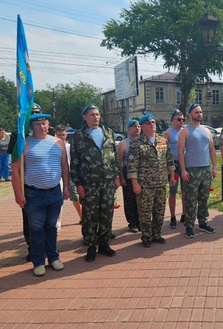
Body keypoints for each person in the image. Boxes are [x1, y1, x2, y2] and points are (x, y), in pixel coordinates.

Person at [11, 113, 69, 276]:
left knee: (51, 227)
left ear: (48, 124)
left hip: (54, 192)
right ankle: (38, 261)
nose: (41, 127)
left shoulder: (58, 143)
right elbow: (15, 171)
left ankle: (53, 257)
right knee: (36, 229)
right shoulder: (24, 144)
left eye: (44, 123)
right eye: (37, 124)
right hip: (33, 194)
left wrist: (66, 188)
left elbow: (65, 166)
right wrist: (18, 193)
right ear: (31, 127)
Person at [70, 104, 120, 262]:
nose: (95, 117)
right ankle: (91, 245)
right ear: (85, 117)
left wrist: (117, 176)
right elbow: (75, 162)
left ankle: (104, 243)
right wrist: (78, 184)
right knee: (90, 215)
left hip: (107, 182)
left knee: (107, 214)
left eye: (97, 114)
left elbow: (115, 157)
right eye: (92, 115)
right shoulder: (79, 136)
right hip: (89, 183)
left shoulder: (108, 133)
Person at [127, 114, 175, 247]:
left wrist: (172, 175)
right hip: (145, 185)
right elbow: (132, 165)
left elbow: (169, 159)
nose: (152, 124)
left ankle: (157, 234)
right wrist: (135, 183)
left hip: (161, 182)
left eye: (153, 122)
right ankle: (146, 236)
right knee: (145, 212)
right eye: (148, 123)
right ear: (142, 126)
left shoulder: (162, 140)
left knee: (159, 210)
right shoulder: (137, 143)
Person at [6, 102, 43, 261]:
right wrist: (17, 191)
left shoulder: (48, 130)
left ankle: (47, 248)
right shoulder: (18, 133)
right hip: (26, 182)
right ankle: (32, 248)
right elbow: (14, 160)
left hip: (44, 181)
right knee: (29, 220)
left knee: (48, 220)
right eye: (30, 112)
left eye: (36, 112)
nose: (33, 115)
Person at [178, 104, 217, 238]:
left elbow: (212, 150)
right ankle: (189, 225)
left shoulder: (206, 131)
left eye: (200, 112)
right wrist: (183, 170)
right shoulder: (185, 131)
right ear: (190, 114)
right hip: (192, 170)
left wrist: (215, 167)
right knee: (190, 199)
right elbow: (180, 152)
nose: (199, 114)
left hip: (206, 169)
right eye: (196, 112)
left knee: (204, 198)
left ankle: (203, 223)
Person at [163, 109, 186, 228]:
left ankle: (184, 214)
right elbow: (162, 151)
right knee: (173, 191)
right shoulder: (168, 133)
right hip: (173, 166)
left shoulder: (185, 131)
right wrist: (167, 167)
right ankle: (172, 217)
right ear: (173, 120)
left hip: (185, 165)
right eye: (178, 119)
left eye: (183, 119)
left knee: (185, 191)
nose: (181, 121)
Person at [117, 119, 141, 233]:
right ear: (129, 129)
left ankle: (140, 221)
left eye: (139, 126)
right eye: (134, 126)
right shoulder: (124, 143)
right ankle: (132, 222)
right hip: (127, 172)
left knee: (141, 198)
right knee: (129, 199)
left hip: (141, 173)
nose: (137, 128)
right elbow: (119, 162)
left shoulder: (143, 141)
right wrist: (121, 177)